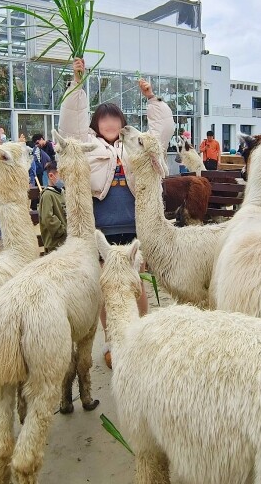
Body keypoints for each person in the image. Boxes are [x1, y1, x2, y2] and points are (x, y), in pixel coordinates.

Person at [60, 58, 174, 369]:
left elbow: (163, 130)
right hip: (102, 232)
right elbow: (70, 125)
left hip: (135, 227)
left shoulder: (136, 144)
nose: (109, 124)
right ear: (96, 124)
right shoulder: (86, 145)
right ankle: (113, 342)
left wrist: (152, 98)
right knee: (109, 287)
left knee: (135, 282)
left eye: (114, 119)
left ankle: (142, 336)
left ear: (121, 122)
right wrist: (77, 83)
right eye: (103, 119)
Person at [38, 161, 67, 254]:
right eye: (61, 176)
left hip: (65, 241)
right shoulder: (47, 195)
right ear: (51, 176)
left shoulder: (62, 191)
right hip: (55, 243)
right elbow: (48, 218)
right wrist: (62, 231)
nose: (63, 179)